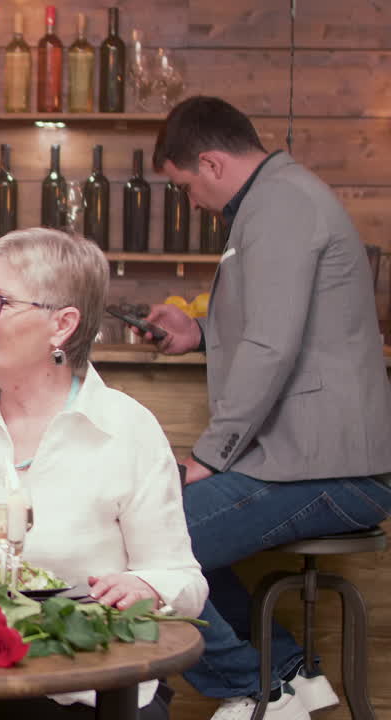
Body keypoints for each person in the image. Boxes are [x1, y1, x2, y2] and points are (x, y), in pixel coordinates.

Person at [143, 96, 391, 720]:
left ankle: (257, 690)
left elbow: (272, 346)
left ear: (211, 163)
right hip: (313, 462)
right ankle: (284, 675)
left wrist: (210, 455)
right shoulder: (277, 199)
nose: (192, 203)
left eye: (186, 187)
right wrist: (200, 333)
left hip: (333, 471)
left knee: (144, 539)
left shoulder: (281, 204)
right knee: (149, 527)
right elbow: (288, 328)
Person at [0, 228, 207, 720]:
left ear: (62, 325)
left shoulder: (127, 430)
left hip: (88, 692)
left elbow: (183, 581)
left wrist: (148, 588)